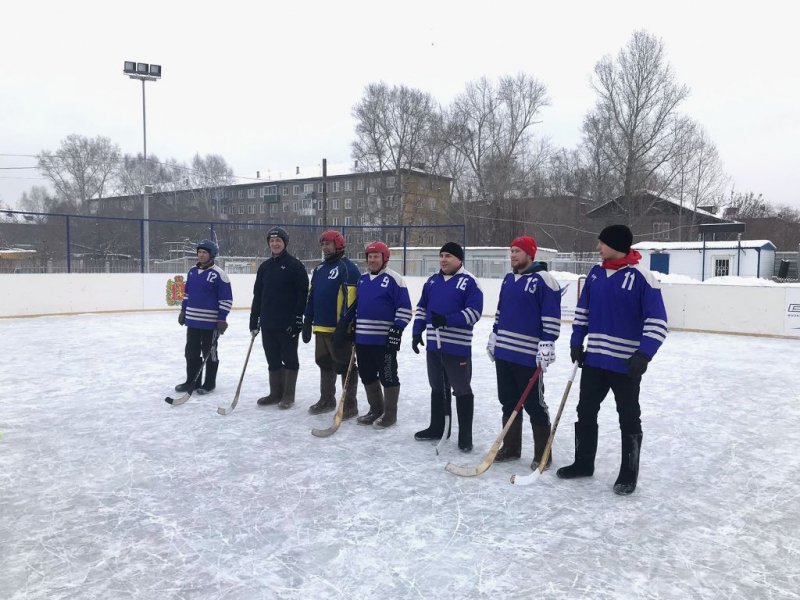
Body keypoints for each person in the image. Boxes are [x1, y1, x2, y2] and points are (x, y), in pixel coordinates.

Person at [558, 224, 668, 495]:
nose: (598, 247)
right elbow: (582, 312)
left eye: (602, 243)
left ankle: (628, 474)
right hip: (594, 360)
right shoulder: (595, 273)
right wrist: (576, 343)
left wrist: (644, 354)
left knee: (628, 418)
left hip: (625, 364)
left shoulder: (643, 277)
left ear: (616, 245)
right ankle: (583, 463)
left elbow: (658, 322)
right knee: (585, 411)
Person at [487, 236, 561, 469]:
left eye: (518, 251)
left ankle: (543, 454)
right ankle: (511, 447)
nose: (513, 255)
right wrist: (494, 334)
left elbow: (551, 316)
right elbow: (500, 311)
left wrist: (548, 342)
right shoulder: (509, 279)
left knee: (534, 404)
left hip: (528, 355)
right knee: (508, 402)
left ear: (531, 254)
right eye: (511, 251)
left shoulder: (544, 280)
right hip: (505, 352)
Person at [411, 242, 483, 452]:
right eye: (441, 255)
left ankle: (465, 436)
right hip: (434, 345)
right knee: (437, 387)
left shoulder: (469, 282)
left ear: (459, 259)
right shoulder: (432, 281)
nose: (443, 259)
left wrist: (449, 320)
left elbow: (474, 312)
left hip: (457, 347)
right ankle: (438, 427)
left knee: (461, 389)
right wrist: (417, 330)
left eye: (448, 256)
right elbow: (422, 308)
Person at [334, 241, 412, 428]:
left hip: (384, 340)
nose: (372, 260)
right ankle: (376, 410)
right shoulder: (362, 280)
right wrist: (350, 326)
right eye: (370, 257)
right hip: (363, 339)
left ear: (385, 258)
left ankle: (390, 415)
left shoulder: (395, 279)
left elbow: (405, 309)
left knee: (388, 376)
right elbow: (358, 307)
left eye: (376, 256)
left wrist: (397, 328)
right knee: (367, 375)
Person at [302, 229, 361, 417]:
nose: (325, 247)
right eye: (323, 244)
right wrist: (308, 319)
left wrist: (344, 326)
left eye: (328, 243)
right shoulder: (319, 269)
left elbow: (351, 301)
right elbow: (312, 296)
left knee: (345, 366)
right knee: (324, 363)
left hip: (339, 330)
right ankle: (327, 400)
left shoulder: (348, 268)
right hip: (321, 327)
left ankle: (350, 405)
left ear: (339, 244)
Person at [249, 227, 309, 409]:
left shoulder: (295, 266)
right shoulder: (265, 267)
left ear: (285, 243)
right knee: (273, 359)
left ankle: (288, 395)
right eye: (272, 241)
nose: (275, 244)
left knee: (290, 358)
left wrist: (298, 318)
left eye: (278, 241)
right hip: (268, 322)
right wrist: (254, 318)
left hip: (287, 323)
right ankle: (275, 393)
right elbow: (258, 295)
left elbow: (302, 294)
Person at [176, 239, 233, 394]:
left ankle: (209, 383)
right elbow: (187, 294)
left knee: (210, 352)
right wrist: (183, 311)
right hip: (193, 321)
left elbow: (226, 299)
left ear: (211, 255)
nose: (201, 255)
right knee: (191, 352)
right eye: (199, 252)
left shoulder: (219, 274)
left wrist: (222, 319)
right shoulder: (193, 271)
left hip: (211, 323)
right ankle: (192, 381)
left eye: (204, 252)